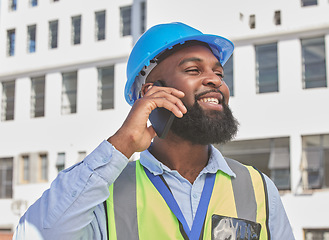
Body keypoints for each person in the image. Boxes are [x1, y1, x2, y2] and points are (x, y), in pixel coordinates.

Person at [13, 22, 295, 240]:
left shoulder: (258, 187)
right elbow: (35, 233)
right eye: (194, 70)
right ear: (152, 92)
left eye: (219, 73)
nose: (215, 80)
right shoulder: (103, 193)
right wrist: (121, 144)